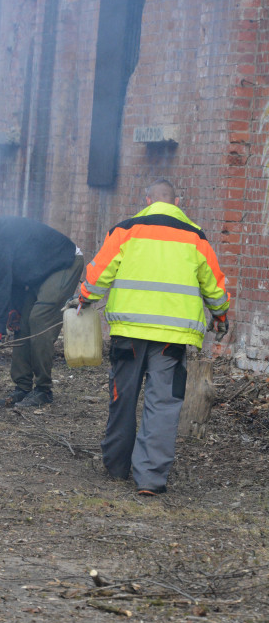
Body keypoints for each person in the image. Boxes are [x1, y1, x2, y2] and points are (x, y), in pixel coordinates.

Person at [77, 179, 230, 496]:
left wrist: (85, 297)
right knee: (163, 404)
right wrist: (220, 314)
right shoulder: (196, 237)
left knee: (123, 397)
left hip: (129, 332)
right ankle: (150, 478)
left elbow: (99, 271)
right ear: (177, 202)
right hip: (171, 337)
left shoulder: (126, 230)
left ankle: (116, 466)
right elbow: (214, 284)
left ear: (147, 200)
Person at [0, 212, 83, 407]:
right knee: (21, 323)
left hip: (64, 263)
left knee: (39, 319)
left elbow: (1, 284)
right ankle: (23, 387)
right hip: (41, 270)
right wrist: (14, 309)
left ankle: (43, 390)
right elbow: (15, 275)